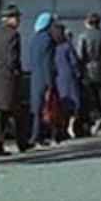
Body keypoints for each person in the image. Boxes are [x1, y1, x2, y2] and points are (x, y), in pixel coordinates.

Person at [0, 4, 25, 155]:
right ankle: (21, 143)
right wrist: (16, 72)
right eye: (17, 17)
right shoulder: (13, 35)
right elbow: (13, 58)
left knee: (1, 113)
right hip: (8, 79)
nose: (18, 21)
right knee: (15, 112)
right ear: (10, 19)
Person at [27, 12, 59, 146]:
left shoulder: (34, 39)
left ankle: (36, 135)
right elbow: (48, 62)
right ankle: (41, 135)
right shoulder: (48, 40)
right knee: (48, 106)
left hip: (35, 76)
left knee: (37, 108)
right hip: (44, 77)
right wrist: (50, 82)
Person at [77, 12, 101, 121]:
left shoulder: (83, 36)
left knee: (89, 97)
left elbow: (80, 55)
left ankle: (92, 119)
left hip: (87, 70)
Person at [53, 23, 83, 139]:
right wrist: (78, 73)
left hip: (58, 78)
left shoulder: (53, 47)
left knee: (62, 103)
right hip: (69, 77)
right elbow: (74, 62)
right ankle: (72, 126)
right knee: (74, 103)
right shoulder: (67, 46)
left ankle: (62, 128)